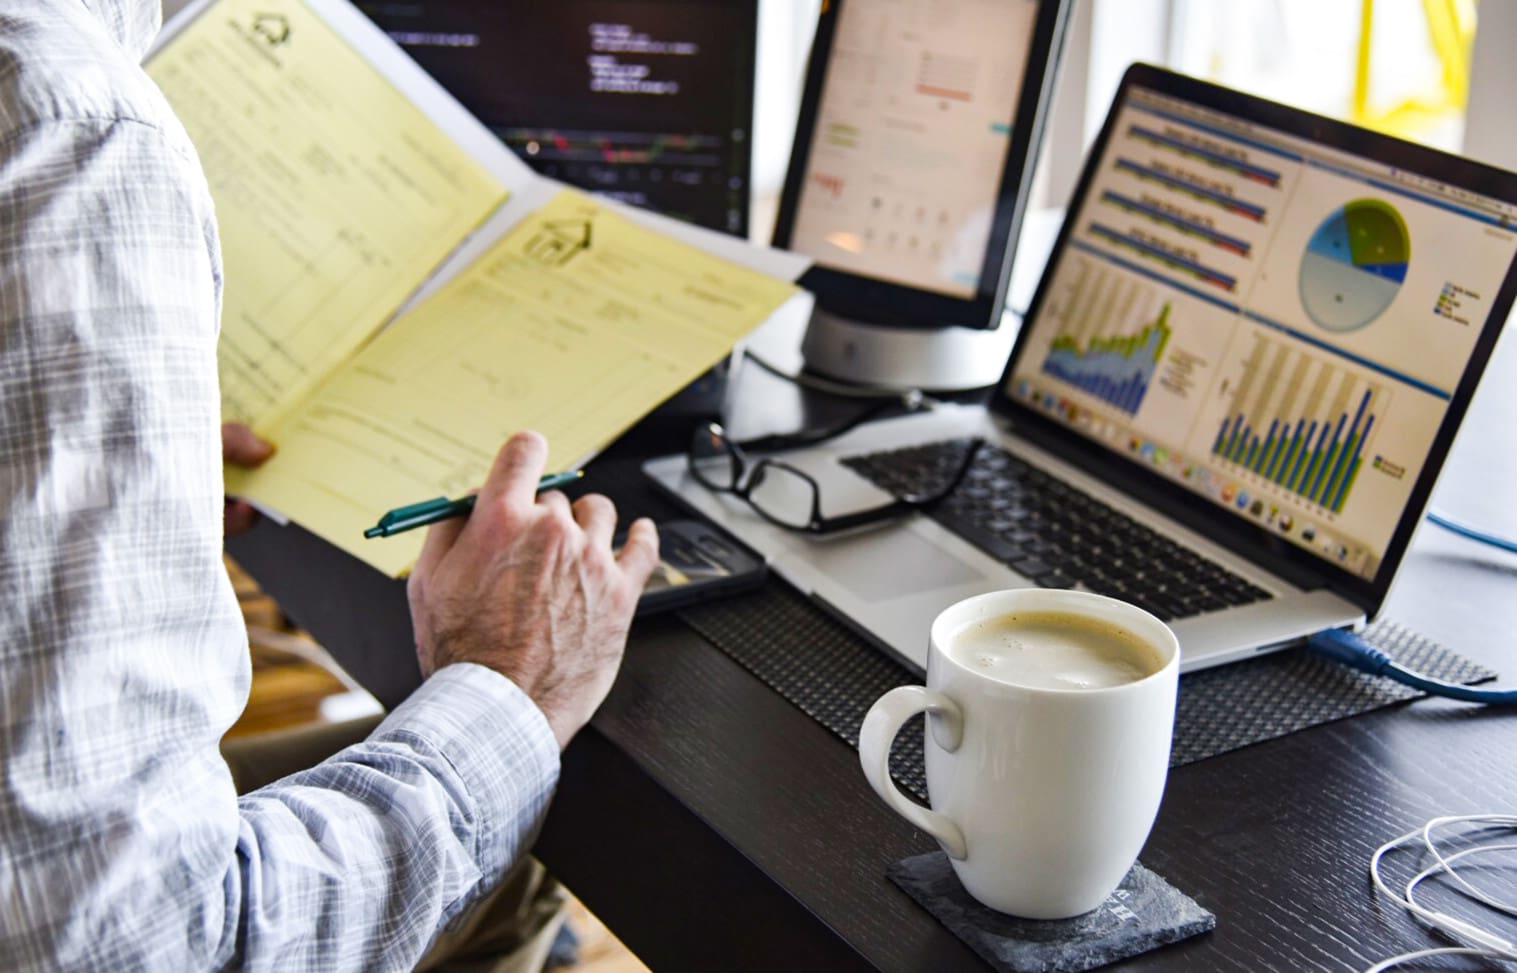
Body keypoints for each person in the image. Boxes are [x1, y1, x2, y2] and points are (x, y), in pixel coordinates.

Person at [0, 1, 659, 969]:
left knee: (512, 865)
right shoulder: (73, 127)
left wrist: (120, 459)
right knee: (517, 817)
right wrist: (505, 685)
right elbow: (133, 949)